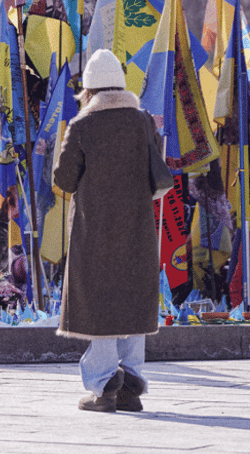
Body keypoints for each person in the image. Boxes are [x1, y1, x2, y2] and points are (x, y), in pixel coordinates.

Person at [52, 48, 173, 413]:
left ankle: (104, 387)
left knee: (99, 306)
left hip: (95, 231)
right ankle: (131, 385)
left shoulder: (83, 126)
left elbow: (64, 179)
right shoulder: (142, 122)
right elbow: (159, 177)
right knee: (133, 304)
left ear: (88, 90)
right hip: (137, 229)